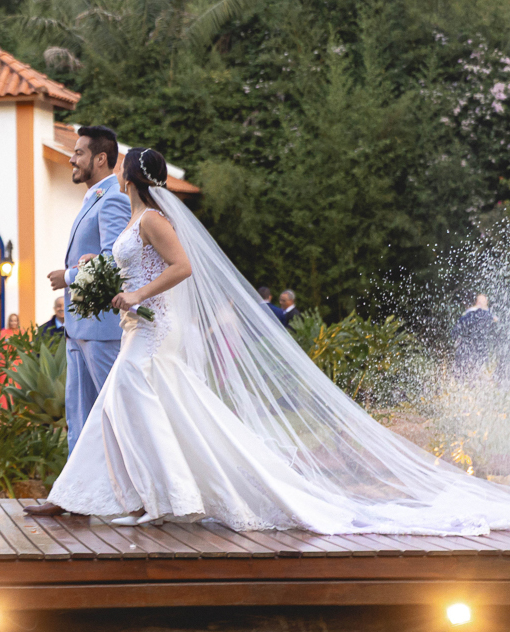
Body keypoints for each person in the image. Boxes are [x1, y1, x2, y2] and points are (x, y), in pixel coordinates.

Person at [28, 146, 510, 534]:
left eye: (121, 168)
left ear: (129, 177)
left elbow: (182, 267)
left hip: (154, 328)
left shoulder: (153, 219)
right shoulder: (136, 221)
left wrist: (136, 295)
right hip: (139, 325)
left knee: (125, 397)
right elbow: (133, 265)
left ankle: (166, 496)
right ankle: (126, 495)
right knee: (151, 403)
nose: (116, 173)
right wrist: (90, 273)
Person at [45, 126, 132, 456]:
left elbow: (114, 260)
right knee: (78, 417)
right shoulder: (93, 199)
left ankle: (129, 481)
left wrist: (68, 276)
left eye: (79, 153)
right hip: (78, 328)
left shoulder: (113, 200)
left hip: (101, 329)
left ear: (100, 158)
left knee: (113, 412)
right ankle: (77, 486)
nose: (72, 159)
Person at [452, 294, 497, 379]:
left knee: (465, 375)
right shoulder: (489, 316)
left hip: (468, 349)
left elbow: (455, 331)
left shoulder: (468, 314)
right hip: (480, 350)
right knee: (478, 375)